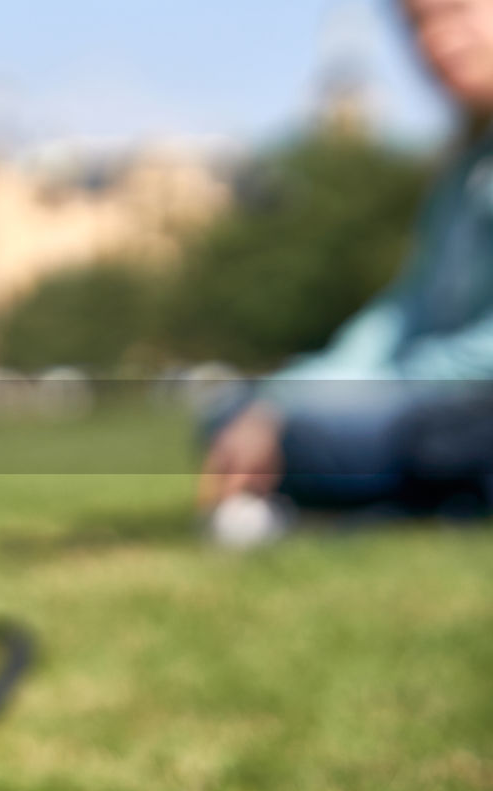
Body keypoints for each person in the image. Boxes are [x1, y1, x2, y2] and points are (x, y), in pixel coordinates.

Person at [200, 0, 493, 535]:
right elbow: (404, 314)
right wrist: (283, 396)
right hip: (438, 400)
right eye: (417, 24)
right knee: (233, 414)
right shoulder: (464, 171)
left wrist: (386, 390)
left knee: (324, 436)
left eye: (456, 12)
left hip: (462, 406)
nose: (436, 41)